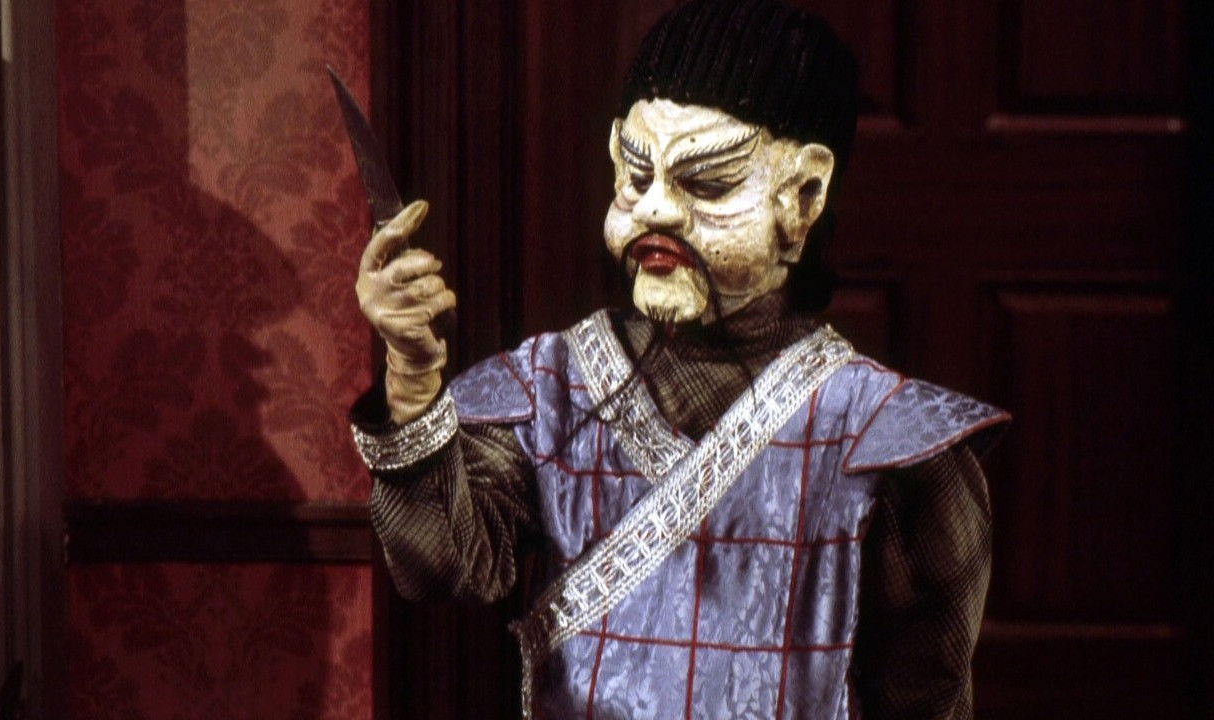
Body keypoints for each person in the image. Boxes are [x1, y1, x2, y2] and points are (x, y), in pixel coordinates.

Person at [350, 1, 1009, 717]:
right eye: (637, 179)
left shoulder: (890, 441)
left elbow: (927, 695)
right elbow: (441, 568)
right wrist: (411, 376)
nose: (656, 212)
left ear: (803, 196)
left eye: (707, 183)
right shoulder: (551, 385)